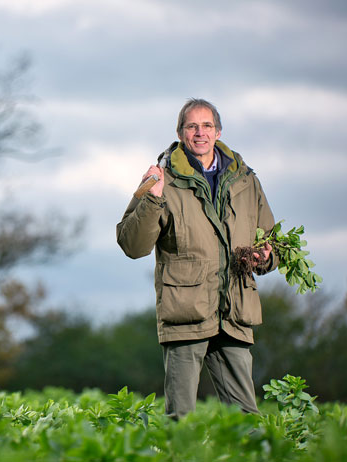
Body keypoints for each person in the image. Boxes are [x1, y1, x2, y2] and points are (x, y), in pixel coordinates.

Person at [116, 98, 277, 419]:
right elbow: (132, 245)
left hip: (234, 313)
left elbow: (270, 241)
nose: (199, 133)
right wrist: (154, 198)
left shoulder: (246, 180)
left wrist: (265, 256)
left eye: (206, 126)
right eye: (192, 126)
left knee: (247, 419)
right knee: (180, 419)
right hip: (185, 314)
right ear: (180, 133)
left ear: (218, 132)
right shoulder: (162, 179)